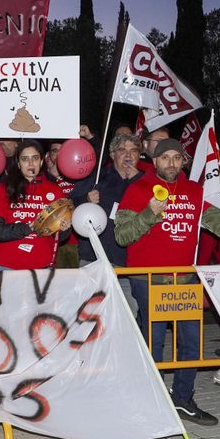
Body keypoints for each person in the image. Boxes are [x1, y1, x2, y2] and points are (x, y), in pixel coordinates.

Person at [115, 138, 220, 426]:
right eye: (165, 157)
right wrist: (149, 214)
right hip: (149, 281)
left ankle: (182, 399)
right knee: (153, 345)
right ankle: (150, 404)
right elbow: (122, 236)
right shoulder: (138, 189)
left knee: (192, 345)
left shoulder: (194, 192)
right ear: (154, 161)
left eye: (176, 157)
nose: (171, 162)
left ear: (184, 161)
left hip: (185, 281)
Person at [72, 134, 145, 313]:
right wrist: (86, 199)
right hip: (95, 259)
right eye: (122, 150)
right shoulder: (97, 177)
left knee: (128, 312)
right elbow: (71, 204)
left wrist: (137, 181)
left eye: (133, 151)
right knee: (92, 314)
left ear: (139, 155)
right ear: (112, 155)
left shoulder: (146, 182)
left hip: (129, 264)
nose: (128, 155)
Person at [0, 140, 70, 270]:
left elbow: (59, 237)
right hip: (6, 266)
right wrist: (27, 228)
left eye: (35, 158)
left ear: (41, 161)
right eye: (25, 159)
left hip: (43, 266)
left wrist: (64, 229)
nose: (31, 163)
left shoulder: (55, 190)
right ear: (19, 164)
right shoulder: (3, 189)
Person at [45, 140, 79, 268]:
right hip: (53, 240)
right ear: (49, 155)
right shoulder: (43, 176)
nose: (59, 155)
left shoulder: (78, 174)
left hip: (77, 240)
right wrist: (51, 177)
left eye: (63, 151)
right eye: (55, 151)